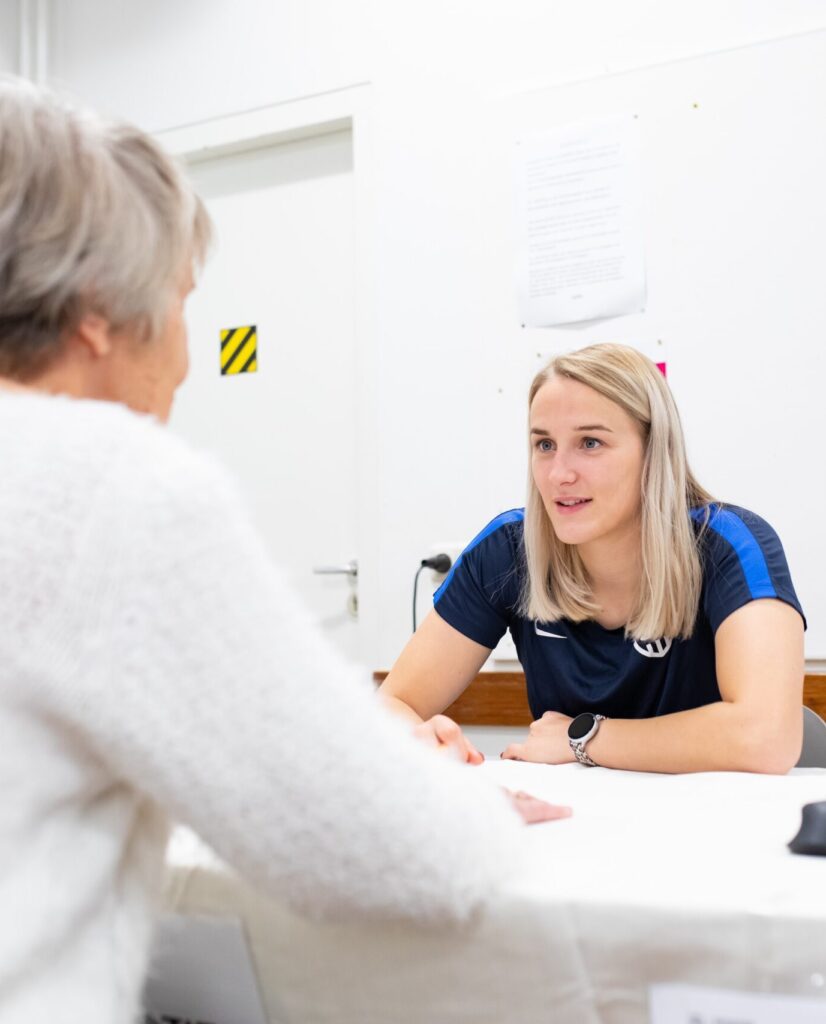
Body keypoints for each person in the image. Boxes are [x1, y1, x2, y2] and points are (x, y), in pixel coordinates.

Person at [0, 79, 569, 1023]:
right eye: (181, 305)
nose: (187, 360)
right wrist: (426, 790)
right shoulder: (106, 483)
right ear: (98, 309)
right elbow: (387, 850)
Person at [380, 343, 805, 774]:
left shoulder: (730, 543)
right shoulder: (509, 548)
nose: (559, 474)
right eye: (544, 444)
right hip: (576, 820)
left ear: (652, 452)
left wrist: (582, 738)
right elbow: (392, 705)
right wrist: (421, 742)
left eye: (590, 442)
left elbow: (766, 739)